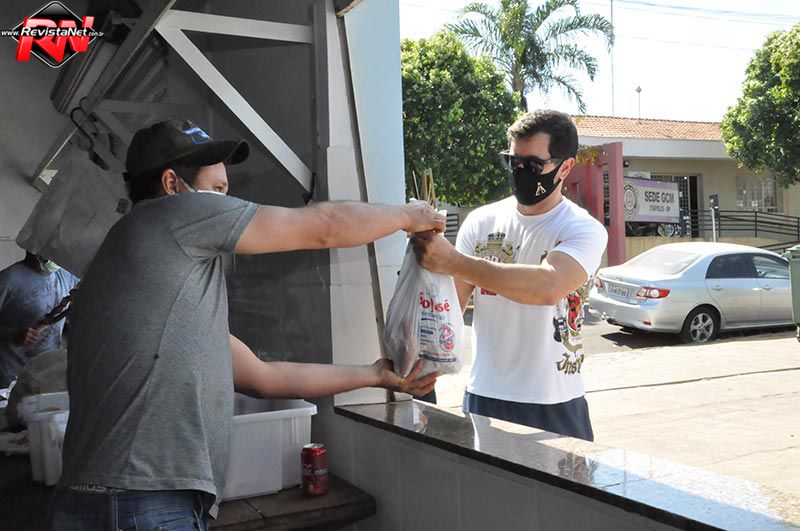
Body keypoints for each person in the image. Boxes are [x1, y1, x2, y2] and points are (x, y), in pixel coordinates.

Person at [50, 119, 444, 530]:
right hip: (141, 503)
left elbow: (263, 377)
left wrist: (375, 375)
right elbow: (324, 227)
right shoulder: (170, 218)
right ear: (171, 185)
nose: (228, 203)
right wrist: (408, 216)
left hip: (96, 502)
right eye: (218, 191)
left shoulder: (141, 268)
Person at [412, 110, 608, 442]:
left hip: (554, 402)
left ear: (565, 167)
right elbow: (450, 308)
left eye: (533, 165)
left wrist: (454, 262)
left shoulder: (582, 229)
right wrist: (424, 365)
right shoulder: (481, 222)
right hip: (484, 396)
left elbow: (548, 287)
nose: (520, 172)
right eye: (513, 162)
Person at [0, 252, 79, 388]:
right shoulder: (8, 279)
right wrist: (12, 334)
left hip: (50, 371)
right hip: (12, 377)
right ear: (33, 249)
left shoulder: (66, 274)